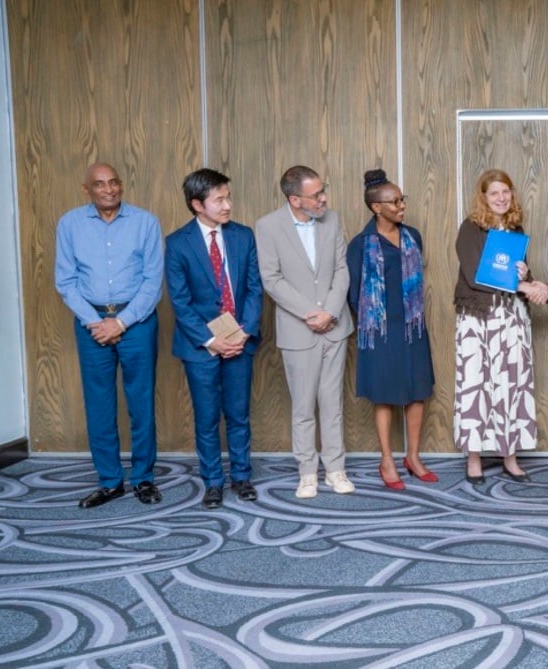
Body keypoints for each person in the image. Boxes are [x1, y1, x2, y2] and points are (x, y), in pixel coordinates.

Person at [55, 163, 164, 508]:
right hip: (91, 323)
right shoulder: (70, 224)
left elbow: (152, 280)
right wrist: (96, 322)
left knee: (141, 402)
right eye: (99, 185)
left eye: (114, 183)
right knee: (100, 404)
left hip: (138, 320)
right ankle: (110, 481)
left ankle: (143, 478)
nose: (109, 190)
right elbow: (66, 281)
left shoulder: (145, 221)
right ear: (86, 189)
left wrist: (122, 322)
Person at [255, 166, 354, 499]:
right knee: (303, 406)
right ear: (294, 199)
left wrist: (331, 311)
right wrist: (311, 313)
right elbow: (272, 279)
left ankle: (335, 469)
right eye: (316, 195)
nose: (323, 198)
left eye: (323, 190)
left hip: (335, 326)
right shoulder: (268, 227)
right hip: (299, 329)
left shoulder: (332, 220)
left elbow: (341, 270)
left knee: (332, 402)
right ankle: (307, 472)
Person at [165, 169, 263, 509]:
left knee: (238, 414)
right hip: (200, 347)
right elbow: (180, 302)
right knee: (207, 418)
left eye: (227, 197)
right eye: (219, 199)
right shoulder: (177, 243)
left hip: (240, 340)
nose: (227, 204)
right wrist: (212, 341)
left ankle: (241, 476)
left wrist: (243, 332)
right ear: (197, 204)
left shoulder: (243, 236)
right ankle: (213, 482)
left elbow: (253, 288)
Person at [453, 169, 548, 484]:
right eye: (494, 193)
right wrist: (523, 287)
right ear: (483, 197)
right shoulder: (470, 228)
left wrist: (526, 274)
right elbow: (476, 275)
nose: (500, 198)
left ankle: (510, 456)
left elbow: (514, 275)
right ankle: (474, 460)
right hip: (478, 319)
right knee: (476, 385)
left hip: (511, 319)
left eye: (505, 192)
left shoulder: (514, 228)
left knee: (512, 384)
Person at [347, 170, 438, 490]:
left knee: (418, 391)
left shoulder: (413, 235)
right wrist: (373, 325)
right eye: (394, 201)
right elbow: (354, 293)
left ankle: (412, 456)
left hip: (412, 327)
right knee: (384, 396)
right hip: (380, 331)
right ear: (376, 207)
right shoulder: (360, 245)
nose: (401, 206)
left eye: (402, 200)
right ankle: (387, 459)